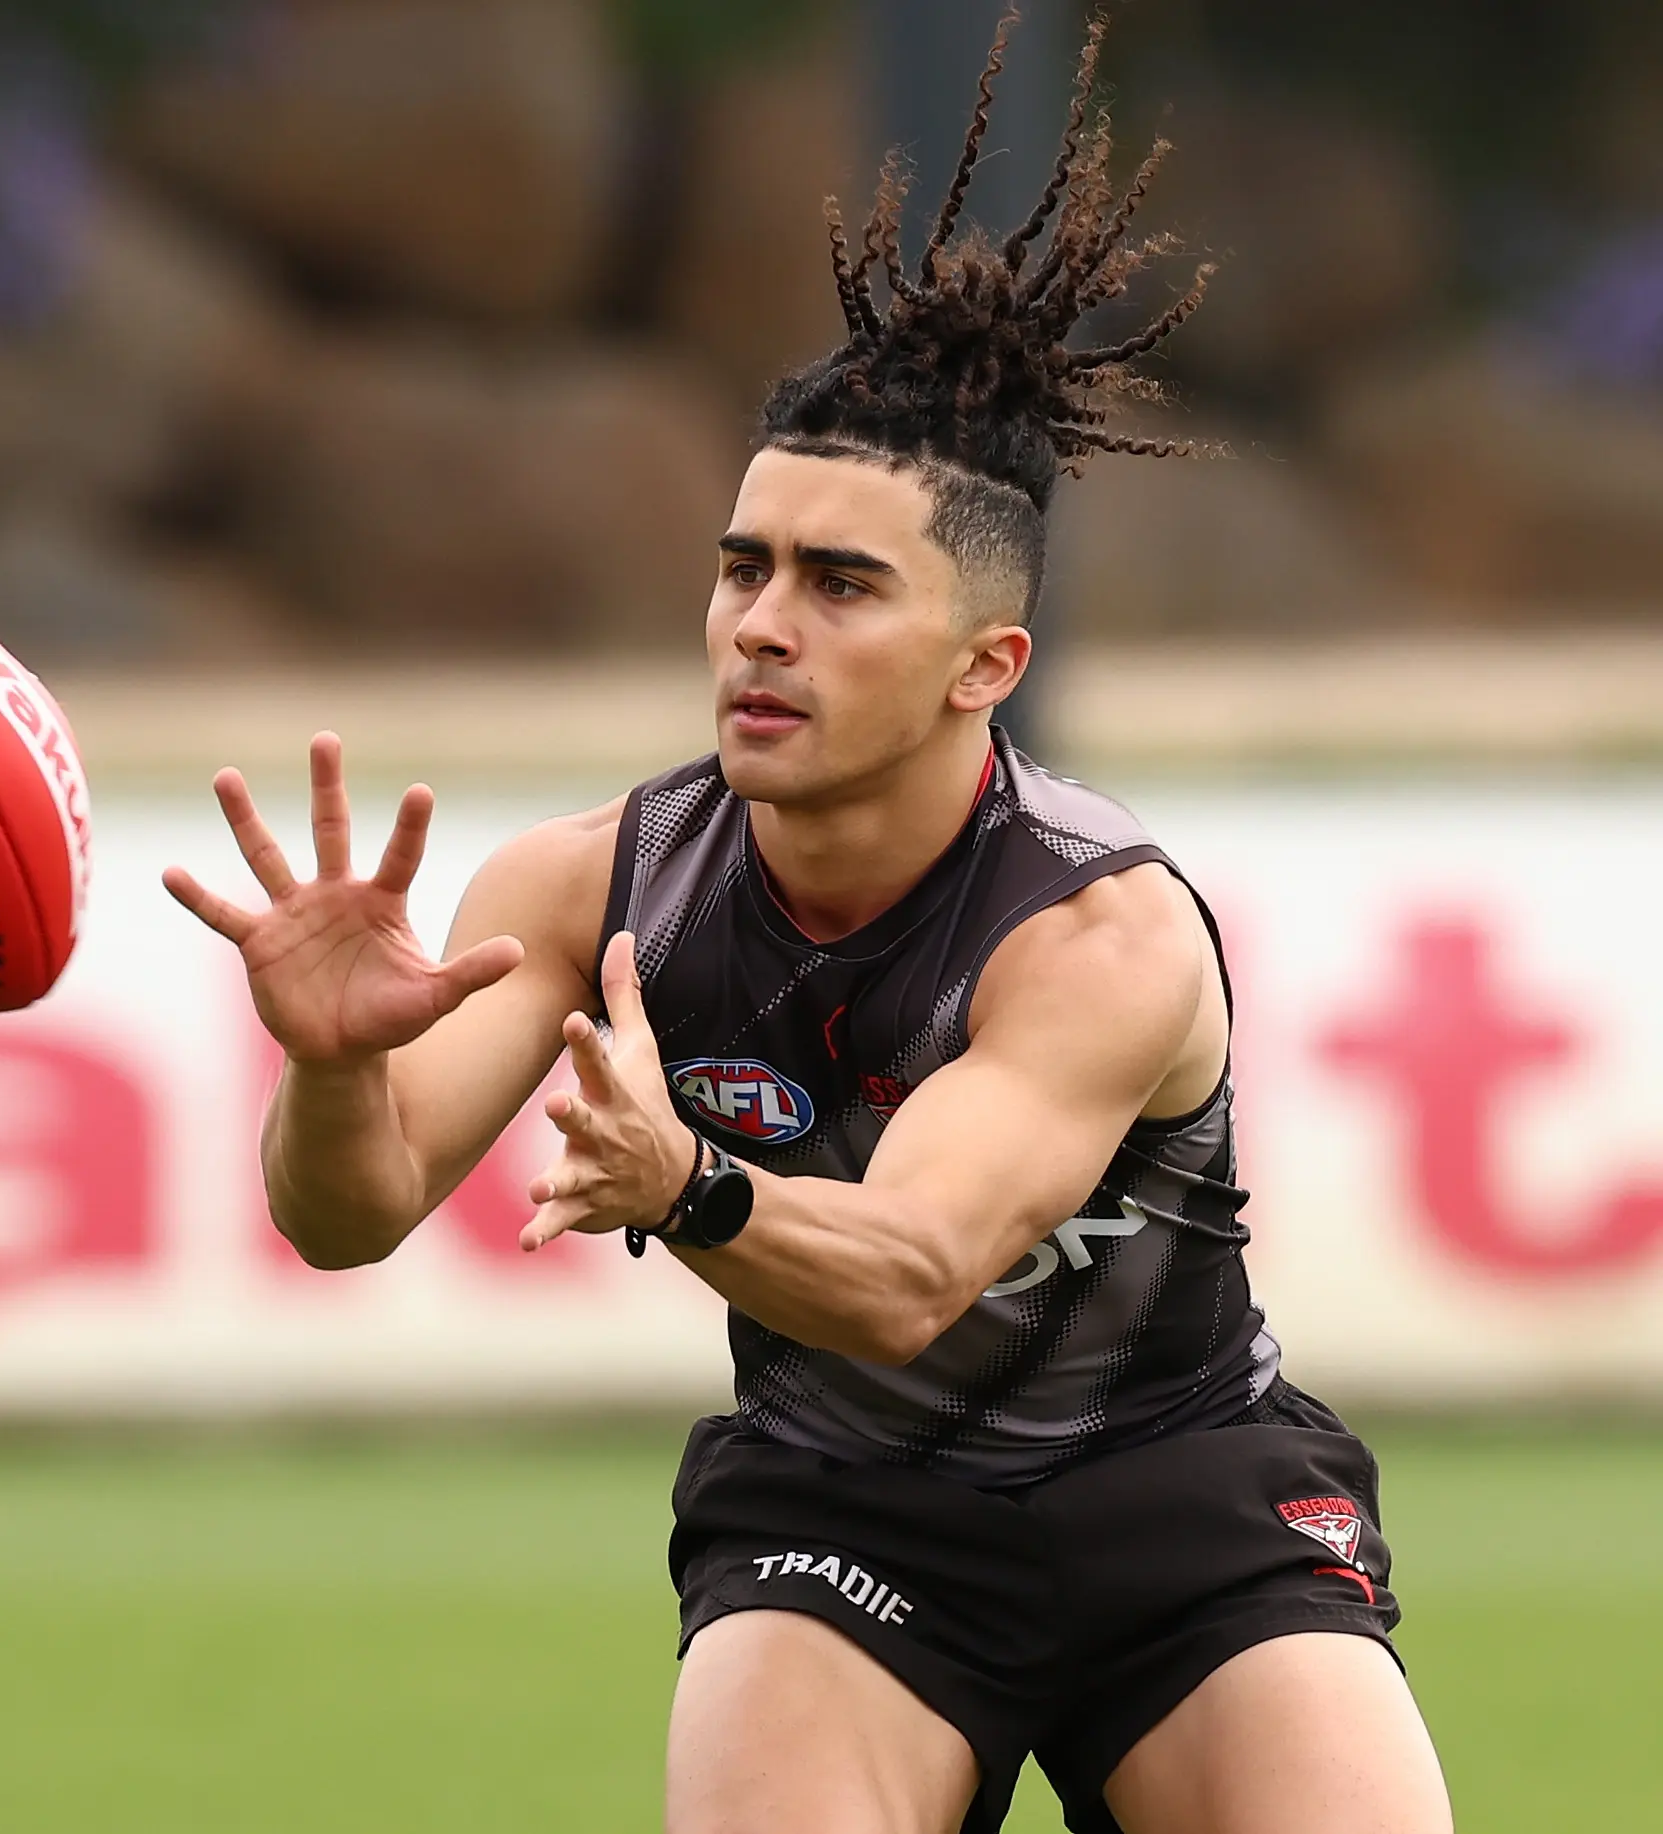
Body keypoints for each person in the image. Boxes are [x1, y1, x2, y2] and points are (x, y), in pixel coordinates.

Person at [163, 14, 1454, 1832]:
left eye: (841, 584)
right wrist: (322, 1070)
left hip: (1179, 1502)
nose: (761, 624)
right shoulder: (588, 885)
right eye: (741, 567)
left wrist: (689, 1187)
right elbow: (349, 1211)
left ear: (983, 666)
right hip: (849, 1521)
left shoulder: (1097, 930)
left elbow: (914, 1273)